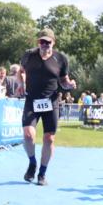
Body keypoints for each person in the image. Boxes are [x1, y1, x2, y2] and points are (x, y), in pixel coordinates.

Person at [19, 28, 76, 186]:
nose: (44, 44)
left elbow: (64, 80)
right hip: (32, 100)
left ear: (53, 42)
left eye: (47, 42)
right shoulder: (29, 55)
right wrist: (20, 83)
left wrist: (69, 84)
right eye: (41, 42)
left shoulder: (61, 59)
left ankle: (42, 173)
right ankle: (32, 163)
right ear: (38, 42)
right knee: (28, 135)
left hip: (51, 102)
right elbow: (21, 71)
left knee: (49, 138)